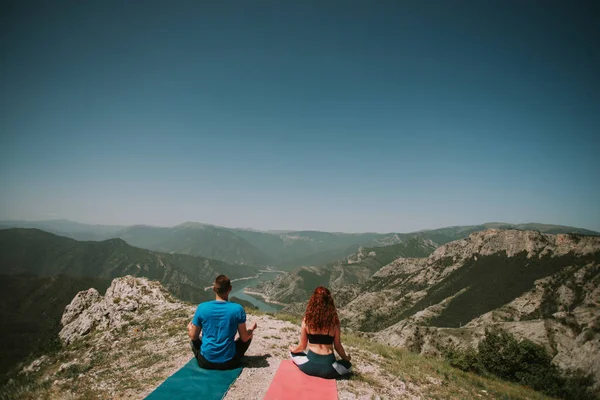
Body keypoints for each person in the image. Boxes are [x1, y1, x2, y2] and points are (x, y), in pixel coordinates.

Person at [187, 274, 257, 370]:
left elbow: (193, 336)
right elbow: (244, 338)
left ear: (214, 289)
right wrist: (251, 329)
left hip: (205, 362)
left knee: (194, 338)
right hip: (229, 363)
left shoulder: (202, 308)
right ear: (230, 289)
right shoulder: (238, 309)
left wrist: (189, 327)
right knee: (249, 335)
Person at [289, 286, 352, 379]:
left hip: (309, 367)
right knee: (348, 365)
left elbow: (302, 346)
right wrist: (346, 358)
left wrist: (292, 349)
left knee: (293, 354)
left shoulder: (306, 321)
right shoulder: (334, 322)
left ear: (313, 301)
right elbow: (338, 347)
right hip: (328, 370)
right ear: (330, 302)